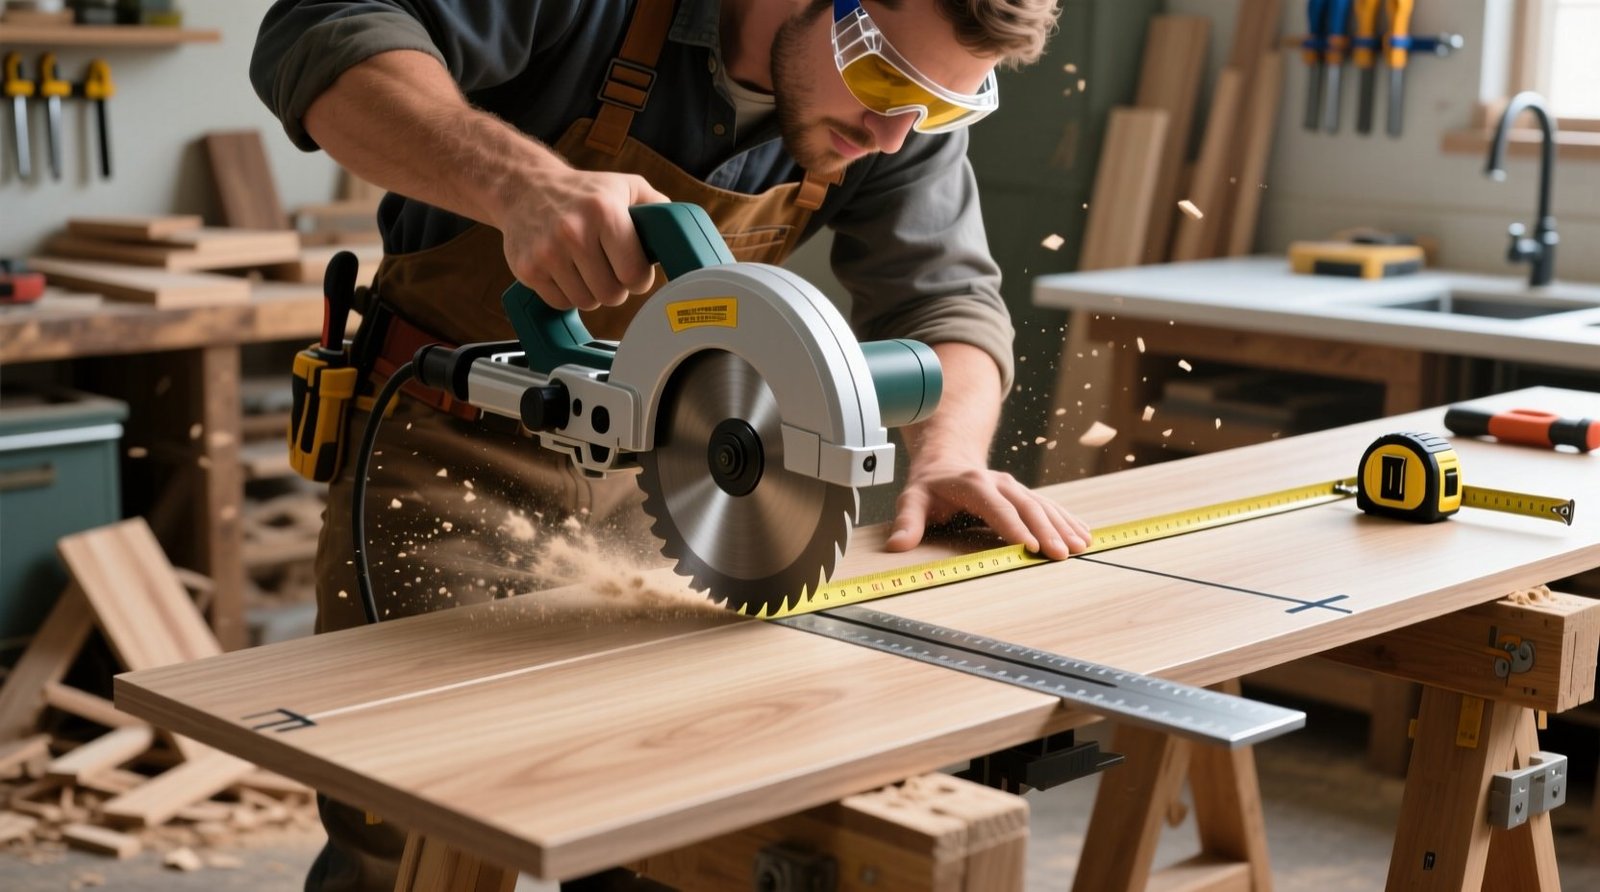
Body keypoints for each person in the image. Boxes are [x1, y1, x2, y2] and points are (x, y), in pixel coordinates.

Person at [251, 1, 1088, 888]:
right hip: (444, 442)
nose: (893, 133)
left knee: (654, 814)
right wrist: (519, 186)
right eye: (884, 79)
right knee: (403, 826)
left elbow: (945, 301)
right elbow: (321, 35)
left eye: (941, 106)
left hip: (678, 484)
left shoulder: (896, 112)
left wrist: (951, 456)